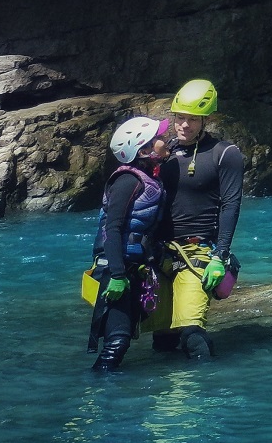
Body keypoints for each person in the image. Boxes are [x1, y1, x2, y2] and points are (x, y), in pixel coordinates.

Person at [155, 78, 245, 360]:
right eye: (180, 117)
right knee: (162, 341)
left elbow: (231, 205)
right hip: (160, 254)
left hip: (197, 252)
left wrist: (220, 256)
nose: (184, 125)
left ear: (206, 119)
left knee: (192, 335)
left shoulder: (225, 154)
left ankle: (199, 397)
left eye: (192, 119)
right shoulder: (163, 152)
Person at [86, 116, 170, 374]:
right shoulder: (127, 181)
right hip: (116, 270)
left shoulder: (147, 177)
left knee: (124, 337)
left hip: (134, 268)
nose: (163, 140)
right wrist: (118, 274)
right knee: (118, 341)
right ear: (143, 150)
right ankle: (96, 394)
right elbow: (113, 229)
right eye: (157, 138)